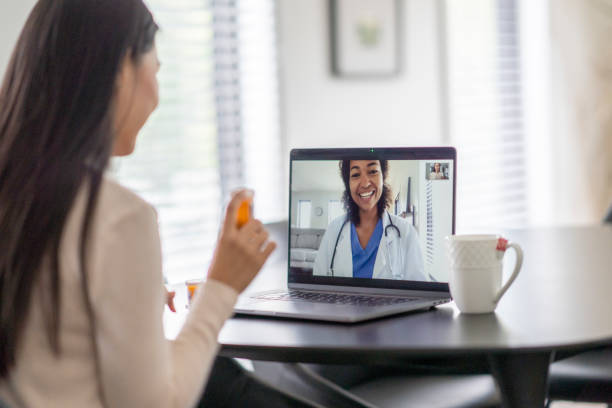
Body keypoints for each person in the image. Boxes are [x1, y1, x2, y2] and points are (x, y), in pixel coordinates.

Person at [0, 1, 316, 407]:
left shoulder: (19, 194)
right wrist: (222, 285)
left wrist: (131, 298)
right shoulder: (118, 218)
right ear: (120, 71)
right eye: (156, 67)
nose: (157, 93)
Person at [313, 160, 426, 281]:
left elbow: (420, 292)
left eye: (373, 171)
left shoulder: (406, 232)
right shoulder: (333, 230)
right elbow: (318, 284)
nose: (365, 183)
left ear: (383, 177)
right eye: (355, 175)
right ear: (348, 184)